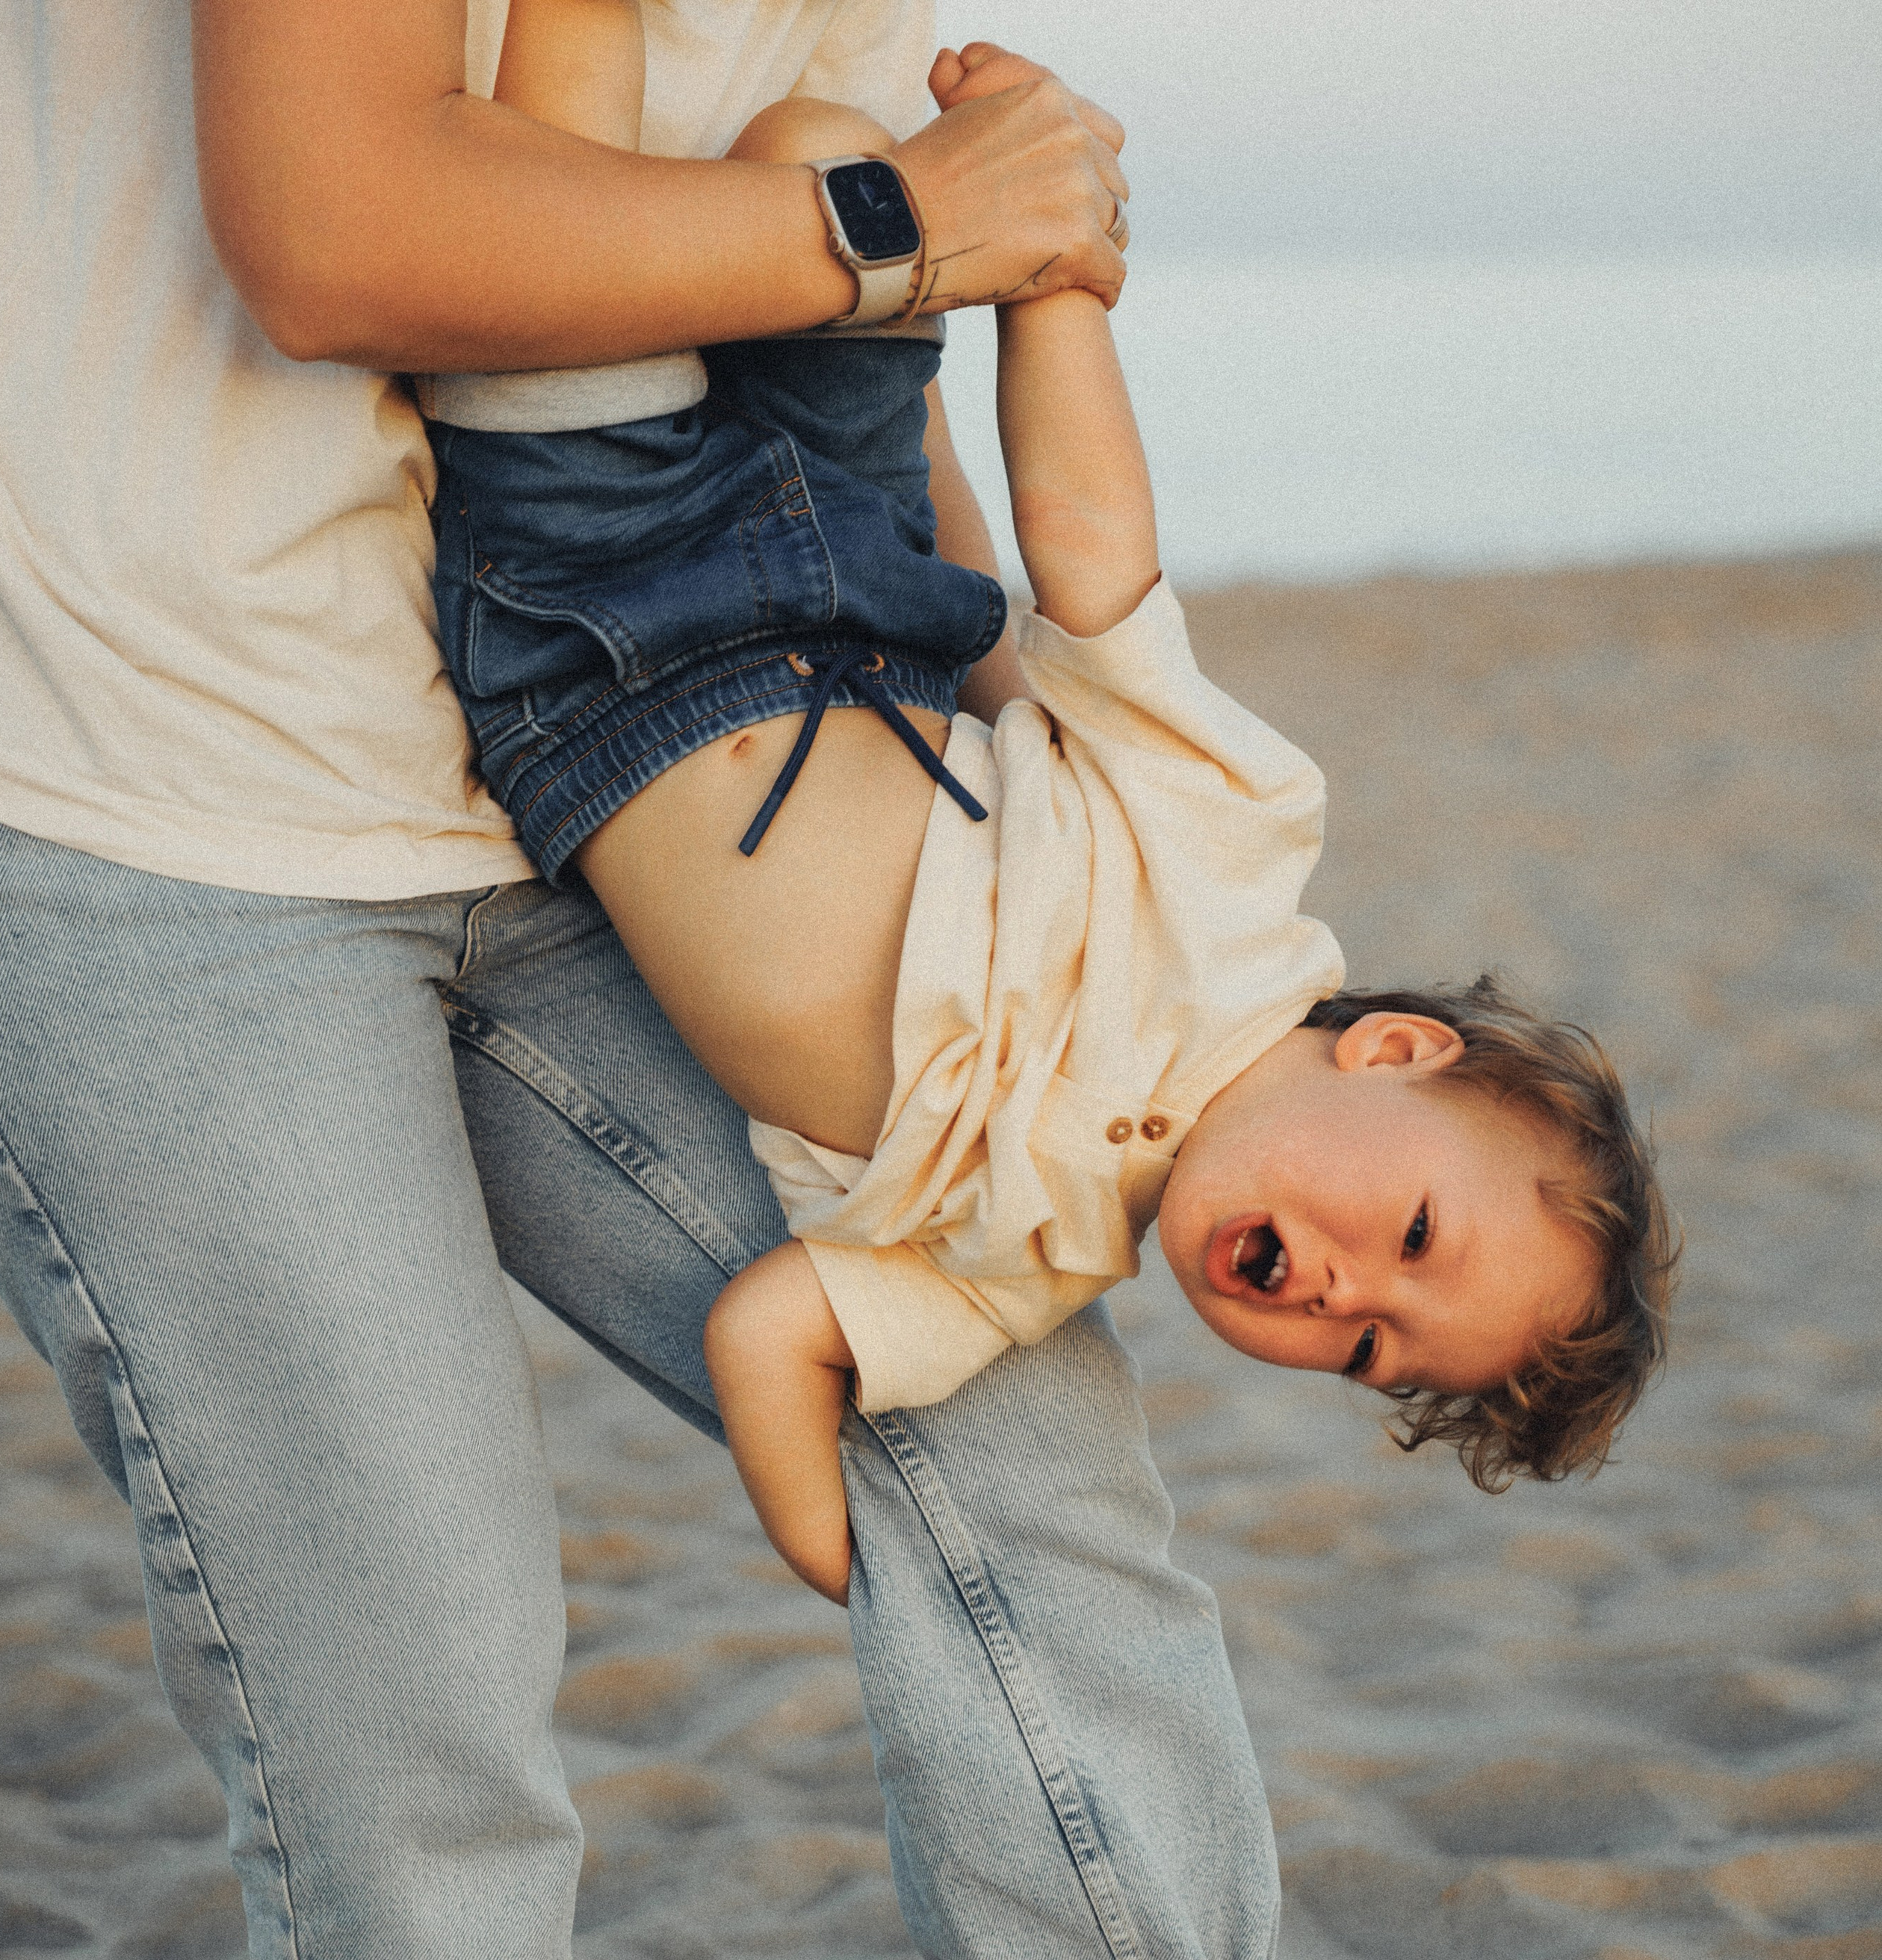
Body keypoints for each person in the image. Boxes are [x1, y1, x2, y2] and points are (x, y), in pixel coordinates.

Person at [0, 0, 1375, 1960]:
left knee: (1016, 1438)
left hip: (604, 765)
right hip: (138, 774)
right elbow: (339, 231)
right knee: (403, 1646)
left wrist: (969, 716)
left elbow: (834, 352)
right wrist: (922, 228)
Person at [432, 39, 1675, 1614]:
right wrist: (1045, 269)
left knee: (549, 207)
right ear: (1395, 1052)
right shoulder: (1230, 861)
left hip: (599, 638)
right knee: (817, 147)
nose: (1347, 1295)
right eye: (1416, 1235)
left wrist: (836, 1552)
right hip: (861, 598)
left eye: (1368, 1350)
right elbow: (1093, 567)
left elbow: (771, 1328)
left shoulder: (1020, 1268)